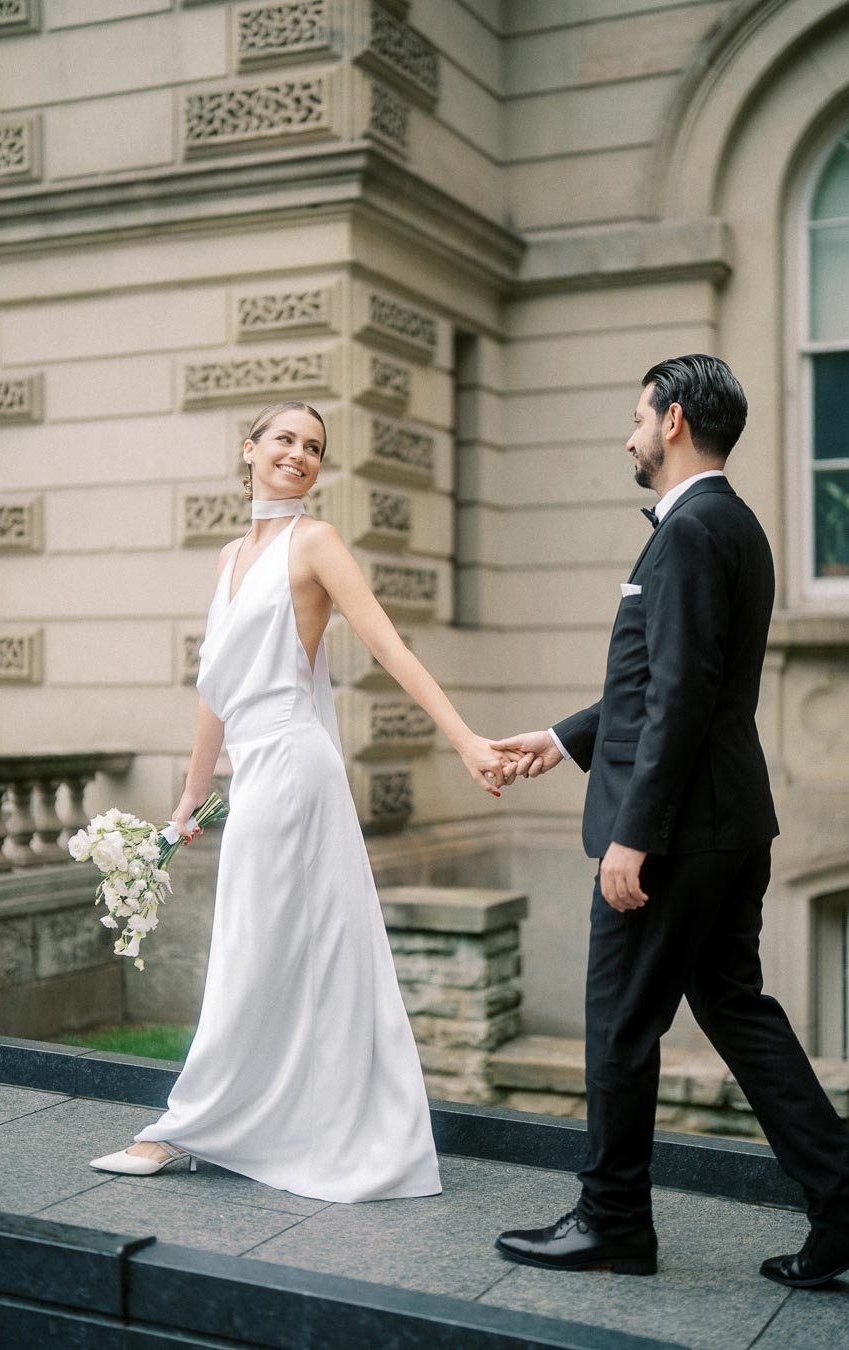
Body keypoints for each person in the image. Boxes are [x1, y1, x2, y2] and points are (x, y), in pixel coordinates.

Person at [89, 400, 517, 1203]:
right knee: (275, 945)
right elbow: (216, 692)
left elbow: (388, 645)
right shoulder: (226, 560)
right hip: (254, 771)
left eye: (314, 447)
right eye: (284, 439)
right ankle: (260, 1122)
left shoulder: (313, 542)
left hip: (293, 764)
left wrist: (464, 739)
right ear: (248, 448)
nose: (299, 454)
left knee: (256, 947)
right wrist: (187, 801)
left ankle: (178, 1128)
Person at [491, 355, 849, 1286]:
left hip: (677, 834)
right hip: (729, 823)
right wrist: (565, 739)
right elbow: (666, 678)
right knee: (737, 1007)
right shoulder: (734, 525)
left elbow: (683, 693)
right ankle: (845, 1200)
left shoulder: (690, 532)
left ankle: (612, 1221)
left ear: (675, 420)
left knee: (618, 1023)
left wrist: (633, 834)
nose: (630, 436)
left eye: (639, 419)